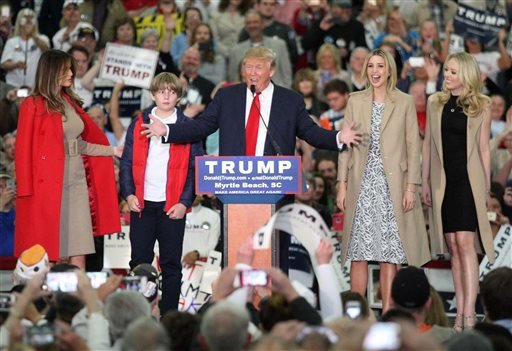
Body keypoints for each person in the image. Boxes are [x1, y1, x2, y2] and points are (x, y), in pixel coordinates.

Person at [142, 47, 361, 272]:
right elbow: (202, 126)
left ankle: (274, 303)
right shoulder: (227, 96)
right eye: (248, 66)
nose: (252, 72)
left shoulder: (290, 101)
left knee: (275, 258)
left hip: (275, 191)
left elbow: (310, 132)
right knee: (237, 256)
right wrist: (168, 130)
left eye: (258, 67)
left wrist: (338, 137)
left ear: (272, 70)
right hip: (235, 189)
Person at [337, 48, 430, 312]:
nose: (375, 71)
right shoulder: (355, 100)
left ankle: (390, 313)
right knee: (358, 253)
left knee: (391, 255)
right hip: (361, 184)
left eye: (380, 66)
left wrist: (412, 187)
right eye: (370, 66)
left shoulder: (404, 101)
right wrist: (341, 184)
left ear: (389, 70)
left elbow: (413, 146)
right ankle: (358, 315)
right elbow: (345, 145)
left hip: (394, 185)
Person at [14, 49, 121, 268]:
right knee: (46, 252)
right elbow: (22, 150)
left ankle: (77, 300)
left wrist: (113, 151)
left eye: (71, 69)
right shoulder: (32, 104)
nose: (72, 73)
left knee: (79, 248)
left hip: (77, 182)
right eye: (66, 70)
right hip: (46, 188)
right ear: (51, 71)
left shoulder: (70, 102)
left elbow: (79, 144)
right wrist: (26, 190)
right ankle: (46, 300)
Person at [422, 52, 494, 331]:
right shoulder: (435, 102)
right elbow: (428, 144)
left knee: (466, 244)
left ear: (465, 74)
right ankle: (461, 312)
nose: (447, 76)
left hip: (468, 182)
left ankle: (469, 313)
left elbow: (485, 150)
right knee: (452, 246)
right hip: (443, 182)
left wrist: (486, 188)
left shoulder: (483, 105)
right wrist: (425, 181)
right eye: (446, 71)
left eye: (452, 72)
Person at [120, 72, 203, 315]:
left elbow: (194, 168)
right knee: (139, 264)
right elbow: (126, 163)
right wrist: (129, 195)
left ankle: (169, 319)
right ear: (153, 94)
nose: (166, 95)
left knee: (170, 266)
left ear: (178, 96)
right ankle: (139, 315)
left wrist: (184, 202)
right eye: (161, 91)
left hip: (172, 206)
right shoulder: (138, 122)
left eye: (172, 91)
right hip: (142, 204)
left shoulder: (188, 127)